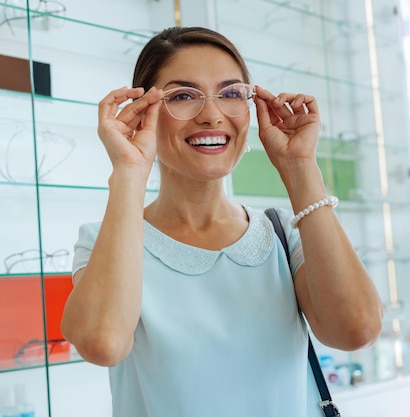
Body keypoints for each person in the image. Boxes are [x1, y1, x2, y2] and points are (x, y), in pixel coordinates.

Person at [60, 26, 383, 417]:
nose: (212, 115)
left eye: (231, 94)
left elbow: (356, 331)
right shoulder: (104, 241)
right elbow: (103, 343)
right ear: (144, 111)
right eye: (182, 96)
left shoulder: (283, 234)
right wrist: (129, 170)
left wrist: (300, 168)